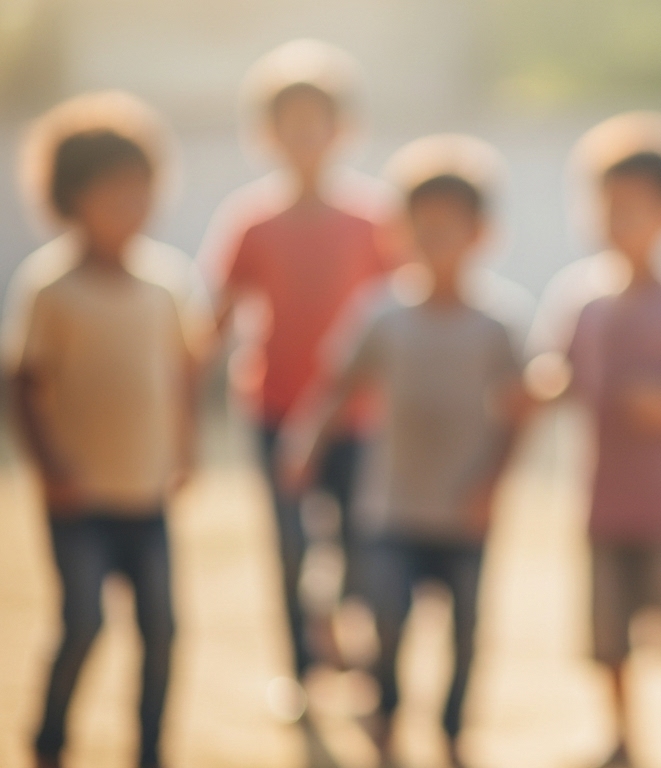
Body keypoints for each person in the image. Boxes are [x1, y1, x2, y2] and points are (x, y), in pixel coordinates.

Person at [280, 134, 530, 768]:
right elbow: (339, 388)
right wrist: (308, 442)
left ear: (480, 234)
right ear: (401, 234)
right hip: (390, 505)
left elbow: (518, 413)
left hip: (464, 511)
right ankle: (386, 714)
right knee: (385, 619)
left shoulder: (498, 323)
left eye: (451, 228)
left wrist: (490, 485)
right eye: (423, 229)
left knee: (465, 633)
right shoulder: (382, 314)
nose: (436, 241)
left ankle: (451, 730)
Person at [527, 113, 661, 768]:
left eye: (633, 207)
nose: (617, 220)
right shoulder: (581, 300)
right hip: (601, 503)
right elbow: (556, 371)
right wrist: (540, 387)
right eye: (605, 206)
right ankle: (624, 735)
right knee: (607, 633)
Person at [3, 91, 210, 768]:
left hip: (144, 492)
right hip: (78, 497)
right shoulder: (49, 287)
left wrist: (185, 448)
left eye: (138, 193)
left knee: (161, 629)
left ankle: (150, 748)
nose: (128, 209)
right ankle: (50, 737)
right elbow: (25, 384)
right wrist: (50, 468)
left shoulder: (166, 282)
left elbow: (182, 374)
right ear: (70, 198)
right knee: (84, 622)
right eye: (111, 195)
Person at [199, 39, 397, 687]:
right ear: (268, 135)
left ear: (344, 131)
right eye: (291, 127)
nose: (306, 139)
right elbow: (217, 321)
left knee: (363, 546)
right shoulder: (251, 223)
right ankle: (301, 674)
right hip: (274, 408)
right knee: (288, 546)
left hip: (360, 412)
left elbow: (404, 313)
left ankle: (344, 632)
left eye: (318, 125)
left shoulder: (375, 222)